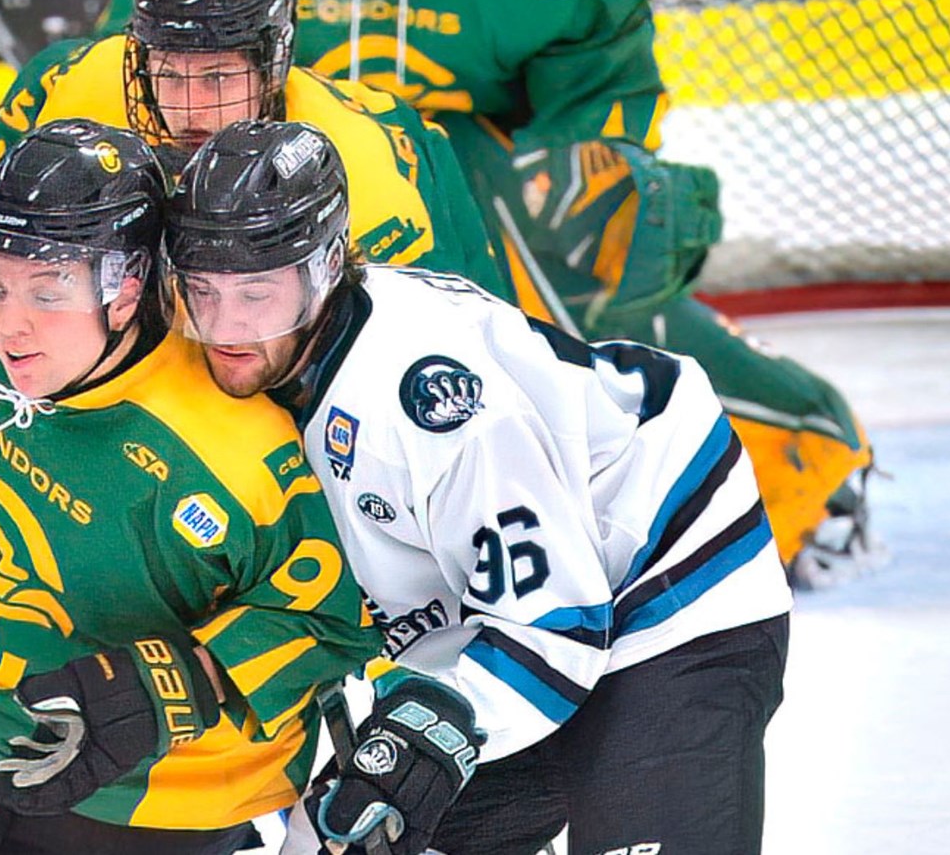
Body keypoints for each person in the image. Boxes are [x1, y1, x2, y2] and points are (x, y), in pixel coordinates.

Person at [101, 0, 879, 587]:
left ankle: (796, 447)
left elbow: (599, 47)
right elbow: (132, 65)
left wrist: (583, 170)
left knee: (558, 288)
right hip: (260, 203)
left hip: (464, 194)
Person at [164, 120, 793, 854]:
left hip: (667, 589)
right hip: (504, 622)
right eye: (201, 292)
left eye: (257, 294)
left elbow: (557, 627)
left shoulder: (428, 404)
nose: (224, 325)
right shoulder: (269, 361)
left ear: (327, 266)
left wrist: (426, 739)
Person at [0, 119, 383, 855]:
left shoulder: (243, 448)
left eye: (48, 292)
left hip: (158, 789)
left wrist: (186, 680)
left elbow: (338, 618)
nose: (8, 326)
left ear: (125, 291)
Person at [0, 0, 509, 296]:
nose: (190, 109)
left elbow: (446, 342)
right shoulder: (60, 88)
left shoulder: (371, 171)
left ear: (269, 68)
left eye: (218, 77)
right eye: (168, 74)